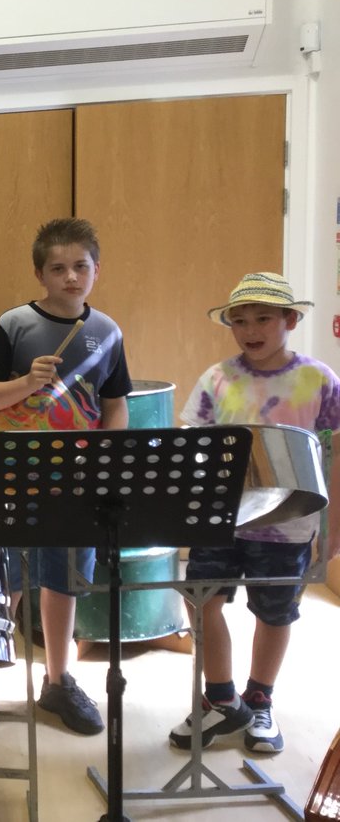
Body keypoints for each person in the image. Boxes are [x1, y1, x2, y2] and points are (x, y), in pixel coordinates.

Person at [0, 217, 131, 750]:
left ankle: (58, 683)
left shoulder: (107, 332)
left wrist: (105, 460)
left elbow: (116, 405)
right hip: (11, 475)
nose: (70, 277)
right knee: (4, 583)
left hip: (77, 479)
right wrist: (25, 382)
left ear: (96, 270)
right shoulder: (13, 324)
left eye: (80, 266)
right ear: (40, 272)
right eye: (57, 268)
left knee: (64, 581)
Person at [167, 272, 340, 755]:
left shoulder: (319, 380)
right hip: (220, 516)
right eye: (239, 321)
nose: (251, 329)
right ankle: (220, 699)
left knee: (275, 610)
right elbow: (193, 444)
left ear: (291, 319)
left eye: (264, 318)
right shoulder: (218, 378)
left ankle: (259, 698)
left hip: (287, 523)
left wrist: (335, 529)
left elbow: (337, 455)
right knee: (202, 600)